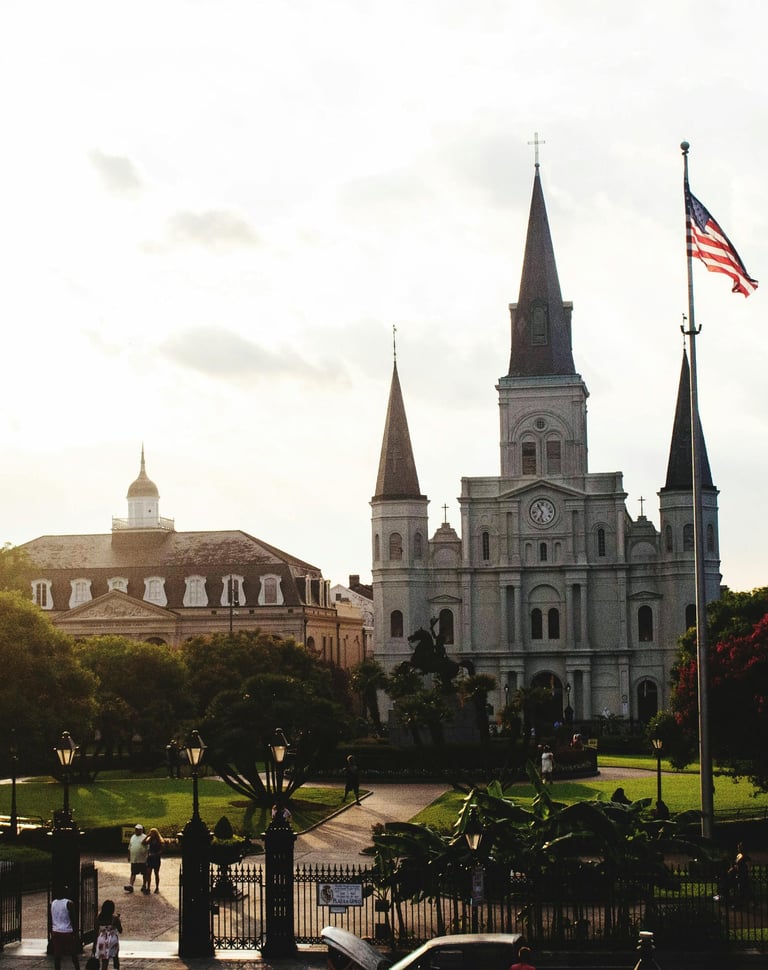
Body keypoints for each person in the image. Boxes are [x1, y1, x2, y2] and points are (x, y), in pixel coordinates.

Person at [51, 885, 80, 970]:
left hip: (56, 931)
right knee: (73, 954)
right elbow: (73, 919)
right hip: (67, 931)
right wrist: (76, 932)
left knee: (57, 956)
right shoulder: (69, 903)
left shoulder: (53, 903)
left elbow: (51, 918)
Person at [93, 899, 122, 970]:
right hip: (112, 940)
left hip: (102, 940)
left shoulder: (99, 918)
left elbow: (95, 932)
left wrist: (94, 945)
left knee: (104, 961)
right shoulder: (114, 919)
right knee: (115, 958)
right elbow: (120, 930)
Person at [125, 823, 149, 894]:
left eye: (138, 829)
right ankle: (131, 885)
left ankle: (144, 885)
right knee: (133, 873)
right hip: (134, 859)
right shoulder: (133, 837)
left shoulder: (145, 837)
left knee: (144, 873)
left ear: (141, 830)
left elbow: (148, 848)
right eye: (135, 829)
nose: (136, 830)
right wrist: (129, 856)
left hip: (143, 859)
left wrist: (147, 857)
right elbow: (130, 847)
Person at [144, 827, 164, 893]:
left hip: (156, 859)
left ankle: (157, 887)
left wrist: (155, 854)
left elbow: (161, 851)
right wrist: (147, 836)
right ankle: (148, 887)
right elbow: (143, 842)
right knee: (148, 873)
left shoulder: (159, 841)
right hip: (150, 858)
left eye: (152, 833)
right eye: (151, 832)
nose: (151, 834)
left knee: (156, 873)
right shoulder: (150, 840)